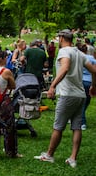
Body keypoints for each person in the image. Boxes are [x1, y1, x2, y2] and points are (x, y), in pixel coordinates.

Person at [35, 29, 96, 168]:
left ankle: (49, 155)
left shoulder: (64, 51)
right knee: (76, 126)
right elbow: (94, 70)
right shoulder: (79, 53)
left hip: (67, 94)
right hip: (81, 95)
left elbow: (65, 67)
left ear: (61, 38)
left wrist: (52, 86)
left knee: (58, 126)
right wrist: (93, 85)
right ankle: (73, 158)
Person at [0, 50, 21, 161]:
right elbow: (13, 85)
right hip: (4, 102)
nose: (7, 59)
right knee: (9, 128)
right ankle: (11, 152)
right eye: (5, 58)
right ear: (1, 59)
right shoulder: (6, 71)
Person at [78, 44, 96, 130]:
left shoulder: (78, 58)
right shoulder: (92, 59)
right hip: (89, 82)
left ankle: (82, 121)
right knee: (86, 101)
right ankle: (81, 120)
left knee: (82, 102)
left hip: (80, 81)